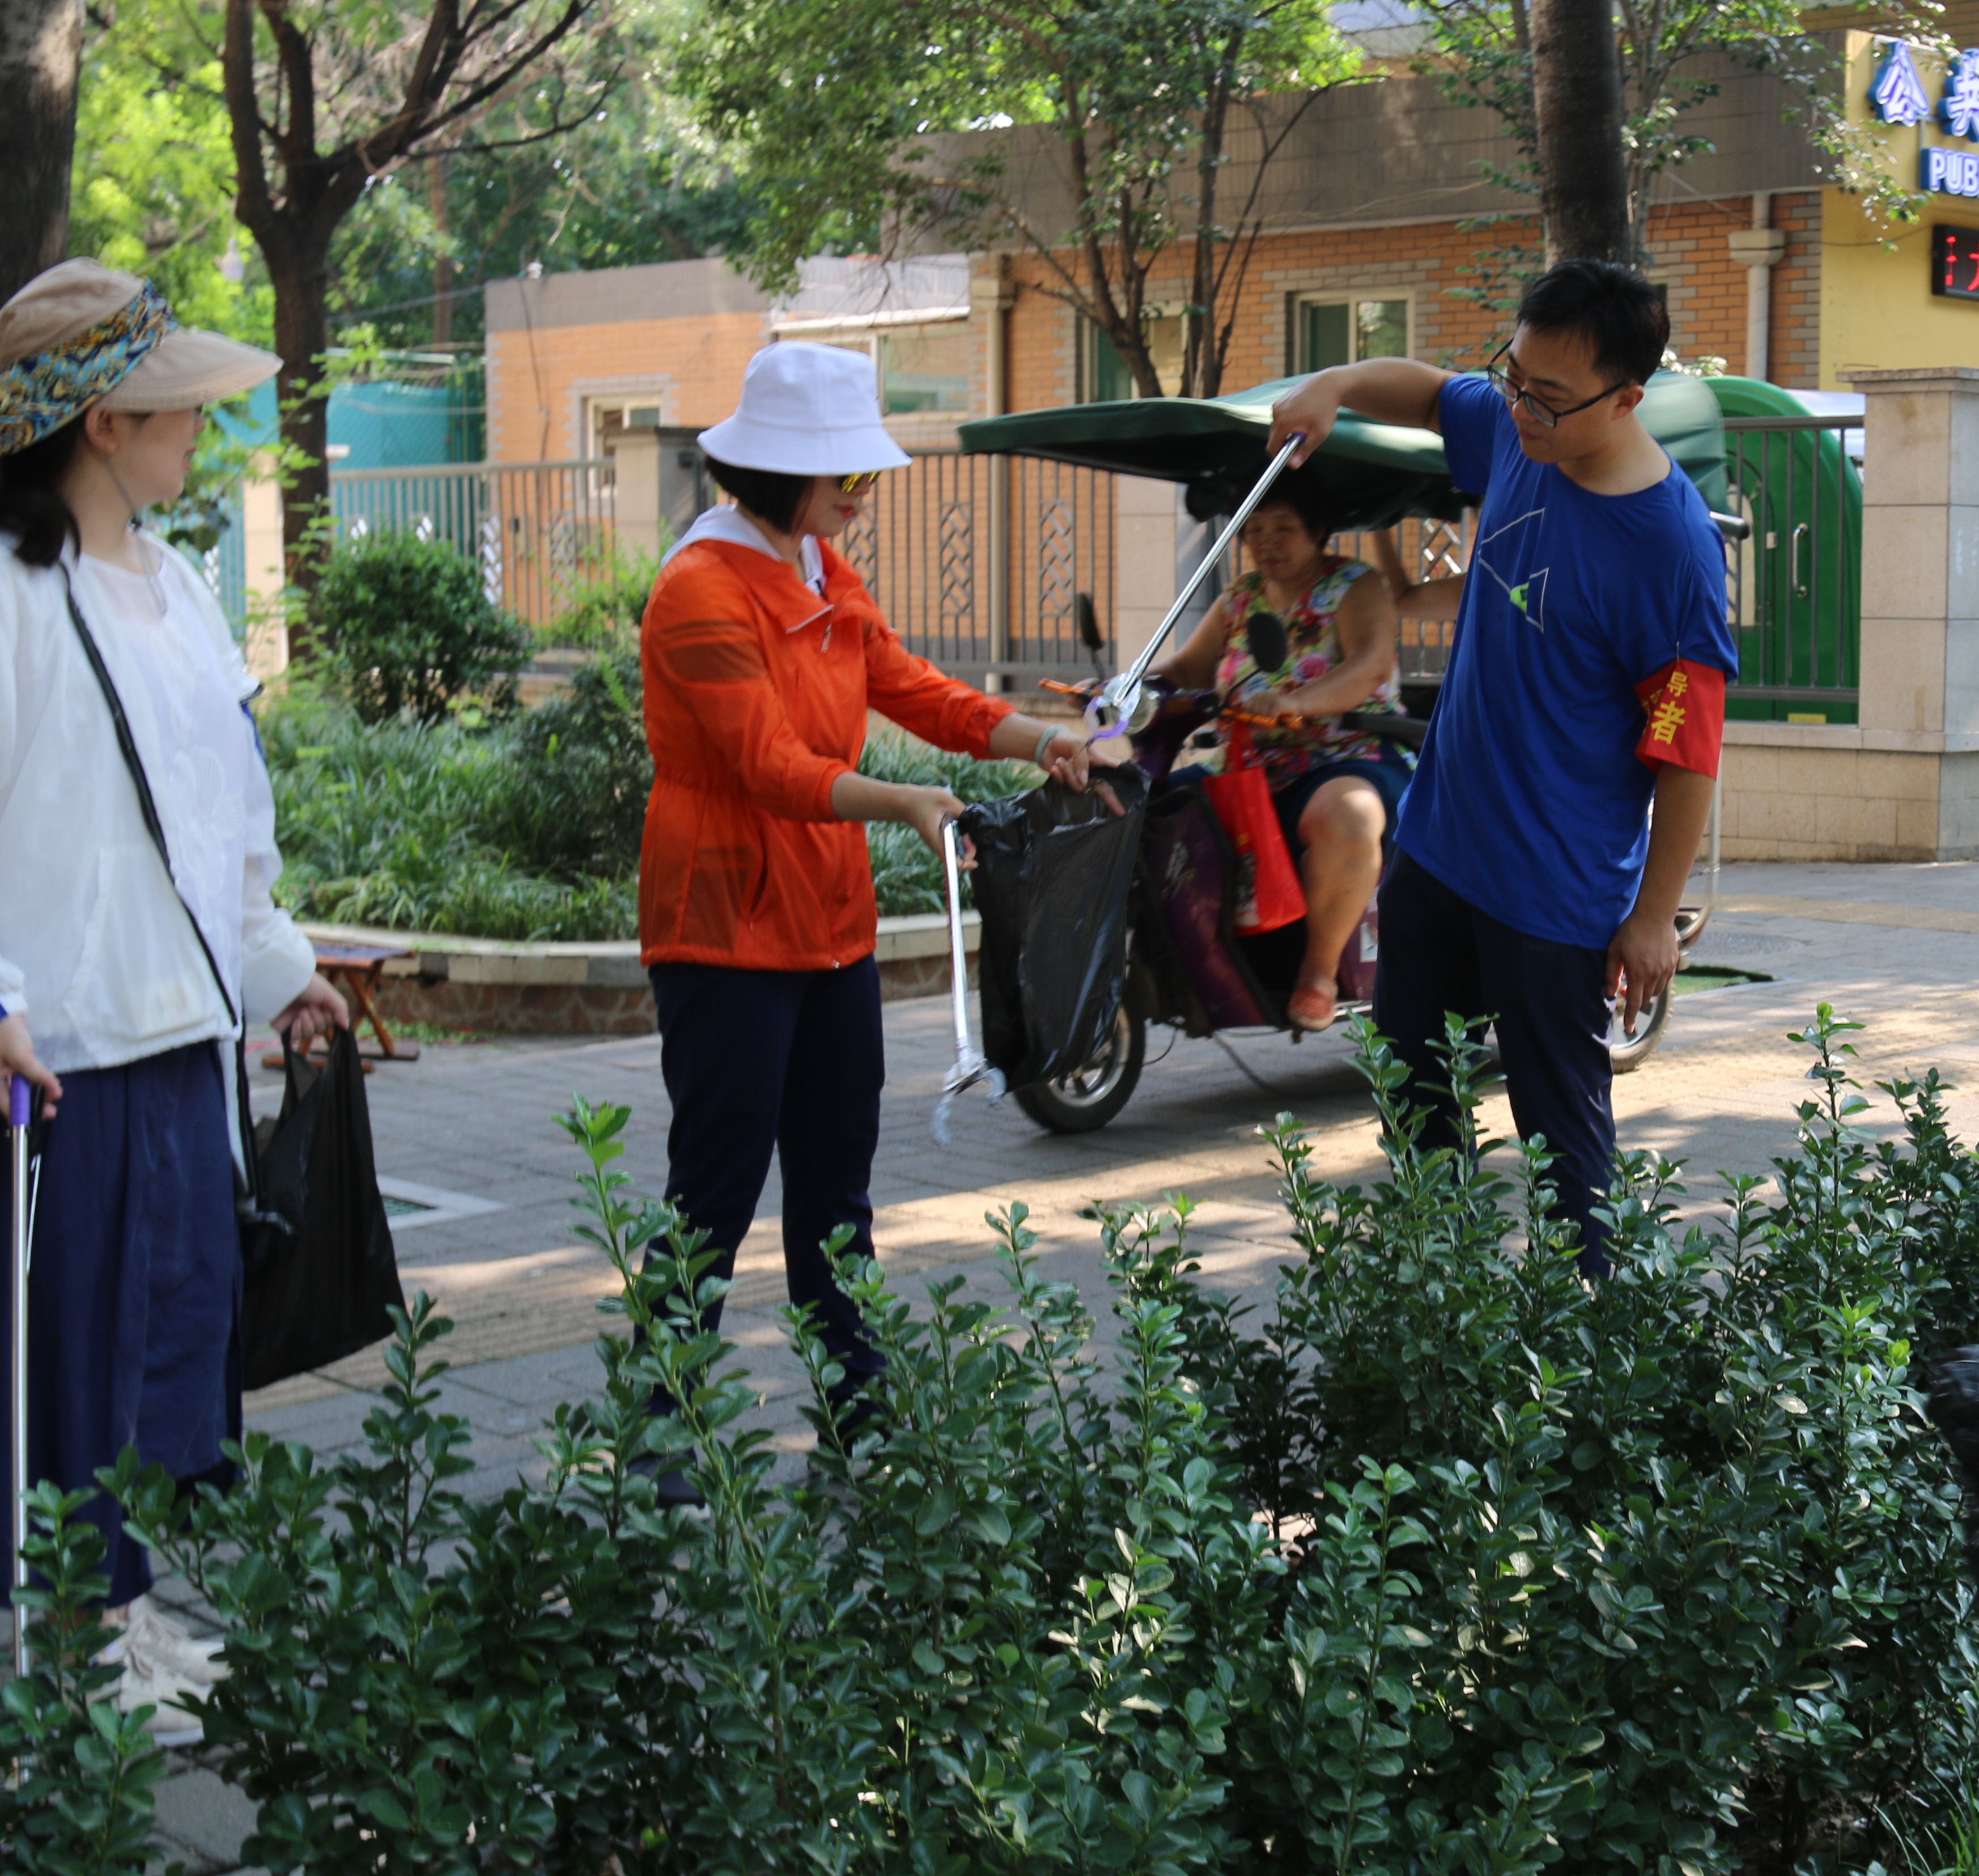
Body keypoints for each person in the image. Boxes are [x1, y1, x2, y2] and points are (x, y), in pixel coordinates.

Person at [0, 260, 352, 1739]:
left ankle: (123, 1618)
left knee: (157, 1356)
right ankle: (55, 1645)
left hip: (178, 1041)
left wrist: (282, 974)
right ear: (100, 422)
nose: (198, 432)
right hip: (53, 1057)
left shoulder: (181, 587)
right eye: (175, 407)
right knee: (56, 1363)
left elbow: (223, 820)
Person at [638, 342, 1099, 1446]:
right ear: (781, 469)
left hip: (827, 921)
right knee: (714, 1194)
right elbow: (768, 767)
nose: (863, 489)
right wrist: (906, 803)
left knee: (837, 1193)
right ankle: (663, 1436)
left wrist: (1042, 741)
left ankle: (864, 1422)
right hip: (723, 924)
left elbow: (911, 687)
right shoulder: (699, 590)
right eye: (846, 471)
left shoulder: (820, 571)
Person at [1267, 261, 1735, 1273]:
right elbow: (1437, 393)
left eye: (1547, 395)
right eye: (1513, 375)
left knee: (1563, 1150)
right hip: (1437, 854)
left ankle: (1588, 1359)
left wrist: (1653, 915)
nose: (1518, 406)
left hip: (1555, 896)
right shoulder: (1520, 431)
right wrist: (1335, 385)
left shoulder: (1669, 550)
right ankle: (1443, 1319)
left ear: (1624, 399)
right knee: (1412, 1099)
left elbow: (1686, 745)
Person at [1150, 474, 1413, 1029]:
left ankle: (1318, 975)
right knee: (1146, 811)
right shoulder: (1240, 597)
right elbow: (1186, 670)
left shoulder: (1354, 585)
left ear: (1319, 532)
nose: (1267, 541)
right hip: (1249, 767)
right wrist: (1125, 688)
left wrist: (1296, 702)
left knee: (1350, 817)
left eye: (1284, 528)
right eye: (1256, 529)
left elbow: (1368, 668)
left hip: (1346, 757)